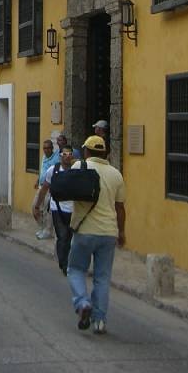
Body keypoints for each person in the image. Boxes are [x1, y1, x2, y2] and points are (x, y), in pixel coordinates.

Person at [67, 135, 126, 335]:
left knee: (75, 269)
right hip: (108, 232)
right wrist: (122, 232)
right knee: (102, 277)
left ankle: (83, 303)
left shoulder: (79, 167)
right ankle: (99, 320)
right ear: (105, 153)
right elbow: (120, 208)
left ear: (86, 151)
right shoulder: (116, 174)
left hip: (84, 230)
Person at [33, 145, 75, 274]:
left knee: (70, 238)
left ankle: (67, 261)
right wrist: (37, 206)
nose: (67, 157)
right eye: (64, 154)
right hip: (57, 208)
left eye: (70, 154)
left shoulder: (76, 170)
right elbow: (44, 189)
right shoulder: (53, 170)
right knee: (62, 236)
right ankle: (64, 263)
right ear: (60, 156)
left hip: (73, 210)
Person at [34, 138, 60, 239]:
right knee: (34, 207)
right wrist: (38, 180)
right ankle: (42, 227)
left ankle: (48, 231)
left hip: (49, 187)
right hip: (41, 186)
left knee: (46, 210)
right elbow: (42, 170)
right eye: (44, 148)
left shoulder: (56, 158)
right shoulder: (44, 157)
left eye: (48, 148)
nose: (46, 150)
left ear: (52, 148)